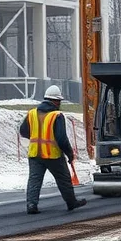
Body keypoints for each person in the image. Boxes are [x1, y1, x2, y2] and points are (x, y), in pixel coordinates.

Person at [21, 85, 86, 215]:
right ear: (55, 101)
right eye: (59, 101)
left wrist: (36, 137)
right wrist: (69, 153)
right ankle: (71, 202)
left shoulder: (32, 113)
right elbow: (61, 138)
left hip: (34, 153)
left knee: (34, 179)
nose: (60, 104)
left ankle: (31, 204)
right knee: (63, 179)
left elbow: (23, 131)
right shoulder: (57, 115)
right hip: (52, 155)